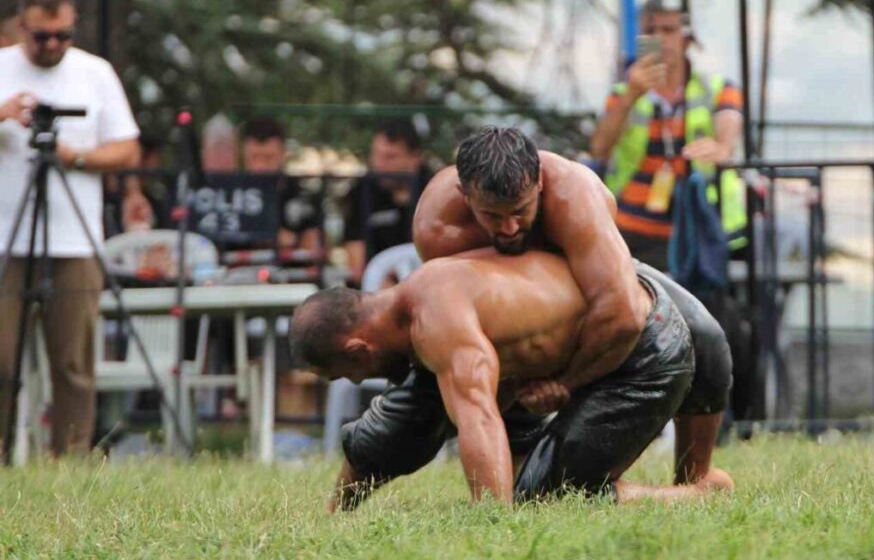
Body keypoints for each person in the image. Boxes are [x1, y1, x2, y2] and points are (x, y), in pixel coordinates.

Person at [414, 126, 732, 486]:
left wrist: (565, 383)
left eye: (520, 211)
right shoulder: (438, 229)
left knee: (706, 336)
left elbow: (623, 313)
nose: (508, 227)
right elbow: (469, 327)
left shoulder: (574, 196)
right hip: (512, 303)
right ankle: (518, 467)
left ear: (539, 184)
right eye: (492, 216)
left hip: (584, 278)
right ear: (465, 195)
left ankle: (695, 481)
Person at [289, 250, 733, 508]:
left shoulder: (436, 321)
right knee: (422, 413)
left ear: (358, 349)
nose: (351, 383)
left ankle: (700, 495)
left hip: (643, 348)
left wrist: (494, 523)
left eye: (343, 375)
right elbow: (389, 433)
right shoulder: (417, 308)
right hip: (587, 347)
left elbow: (479, 419)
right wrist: (334, 513)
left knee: (549, 499)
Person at [0, 0, 140, 457]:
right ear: (21, 26)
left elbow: (126, 147)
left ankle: (70, 464)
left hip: (75, 240)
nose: (55, 45)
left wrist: (74, 155)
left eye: (64, 35)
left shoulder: (94, 73)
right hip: (5, 239)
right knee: (1, 360)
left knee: (74, 362)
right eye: (43, 36)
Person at [589, 0, 746, 271]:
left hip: (698, 227)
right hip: (631, 229)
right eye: (651, 31)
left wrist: (721, 147)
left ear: (687, 39)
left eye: (669, 30)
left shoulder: (717, 88)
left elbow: (729, 126)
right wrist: (631, 96)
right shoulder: (623, 94)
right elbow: (599, 149)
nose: (660, 39)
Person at [343, 118, 434, 285]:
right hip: (379, 289)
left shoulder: (436, 191)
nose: (379, 164)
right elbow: (357, 265)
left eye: (390, 157)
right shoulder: (360, 192)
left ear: (415, 158)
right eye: (375, 155)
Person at [240, 116, 322, 252]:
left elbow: (314, 250)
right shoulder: (230, 193)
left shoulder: (302, 196)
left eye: (269, 158)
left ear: (283, 154)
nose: (261, 166)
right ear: (243, 154)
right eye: (254, 157)